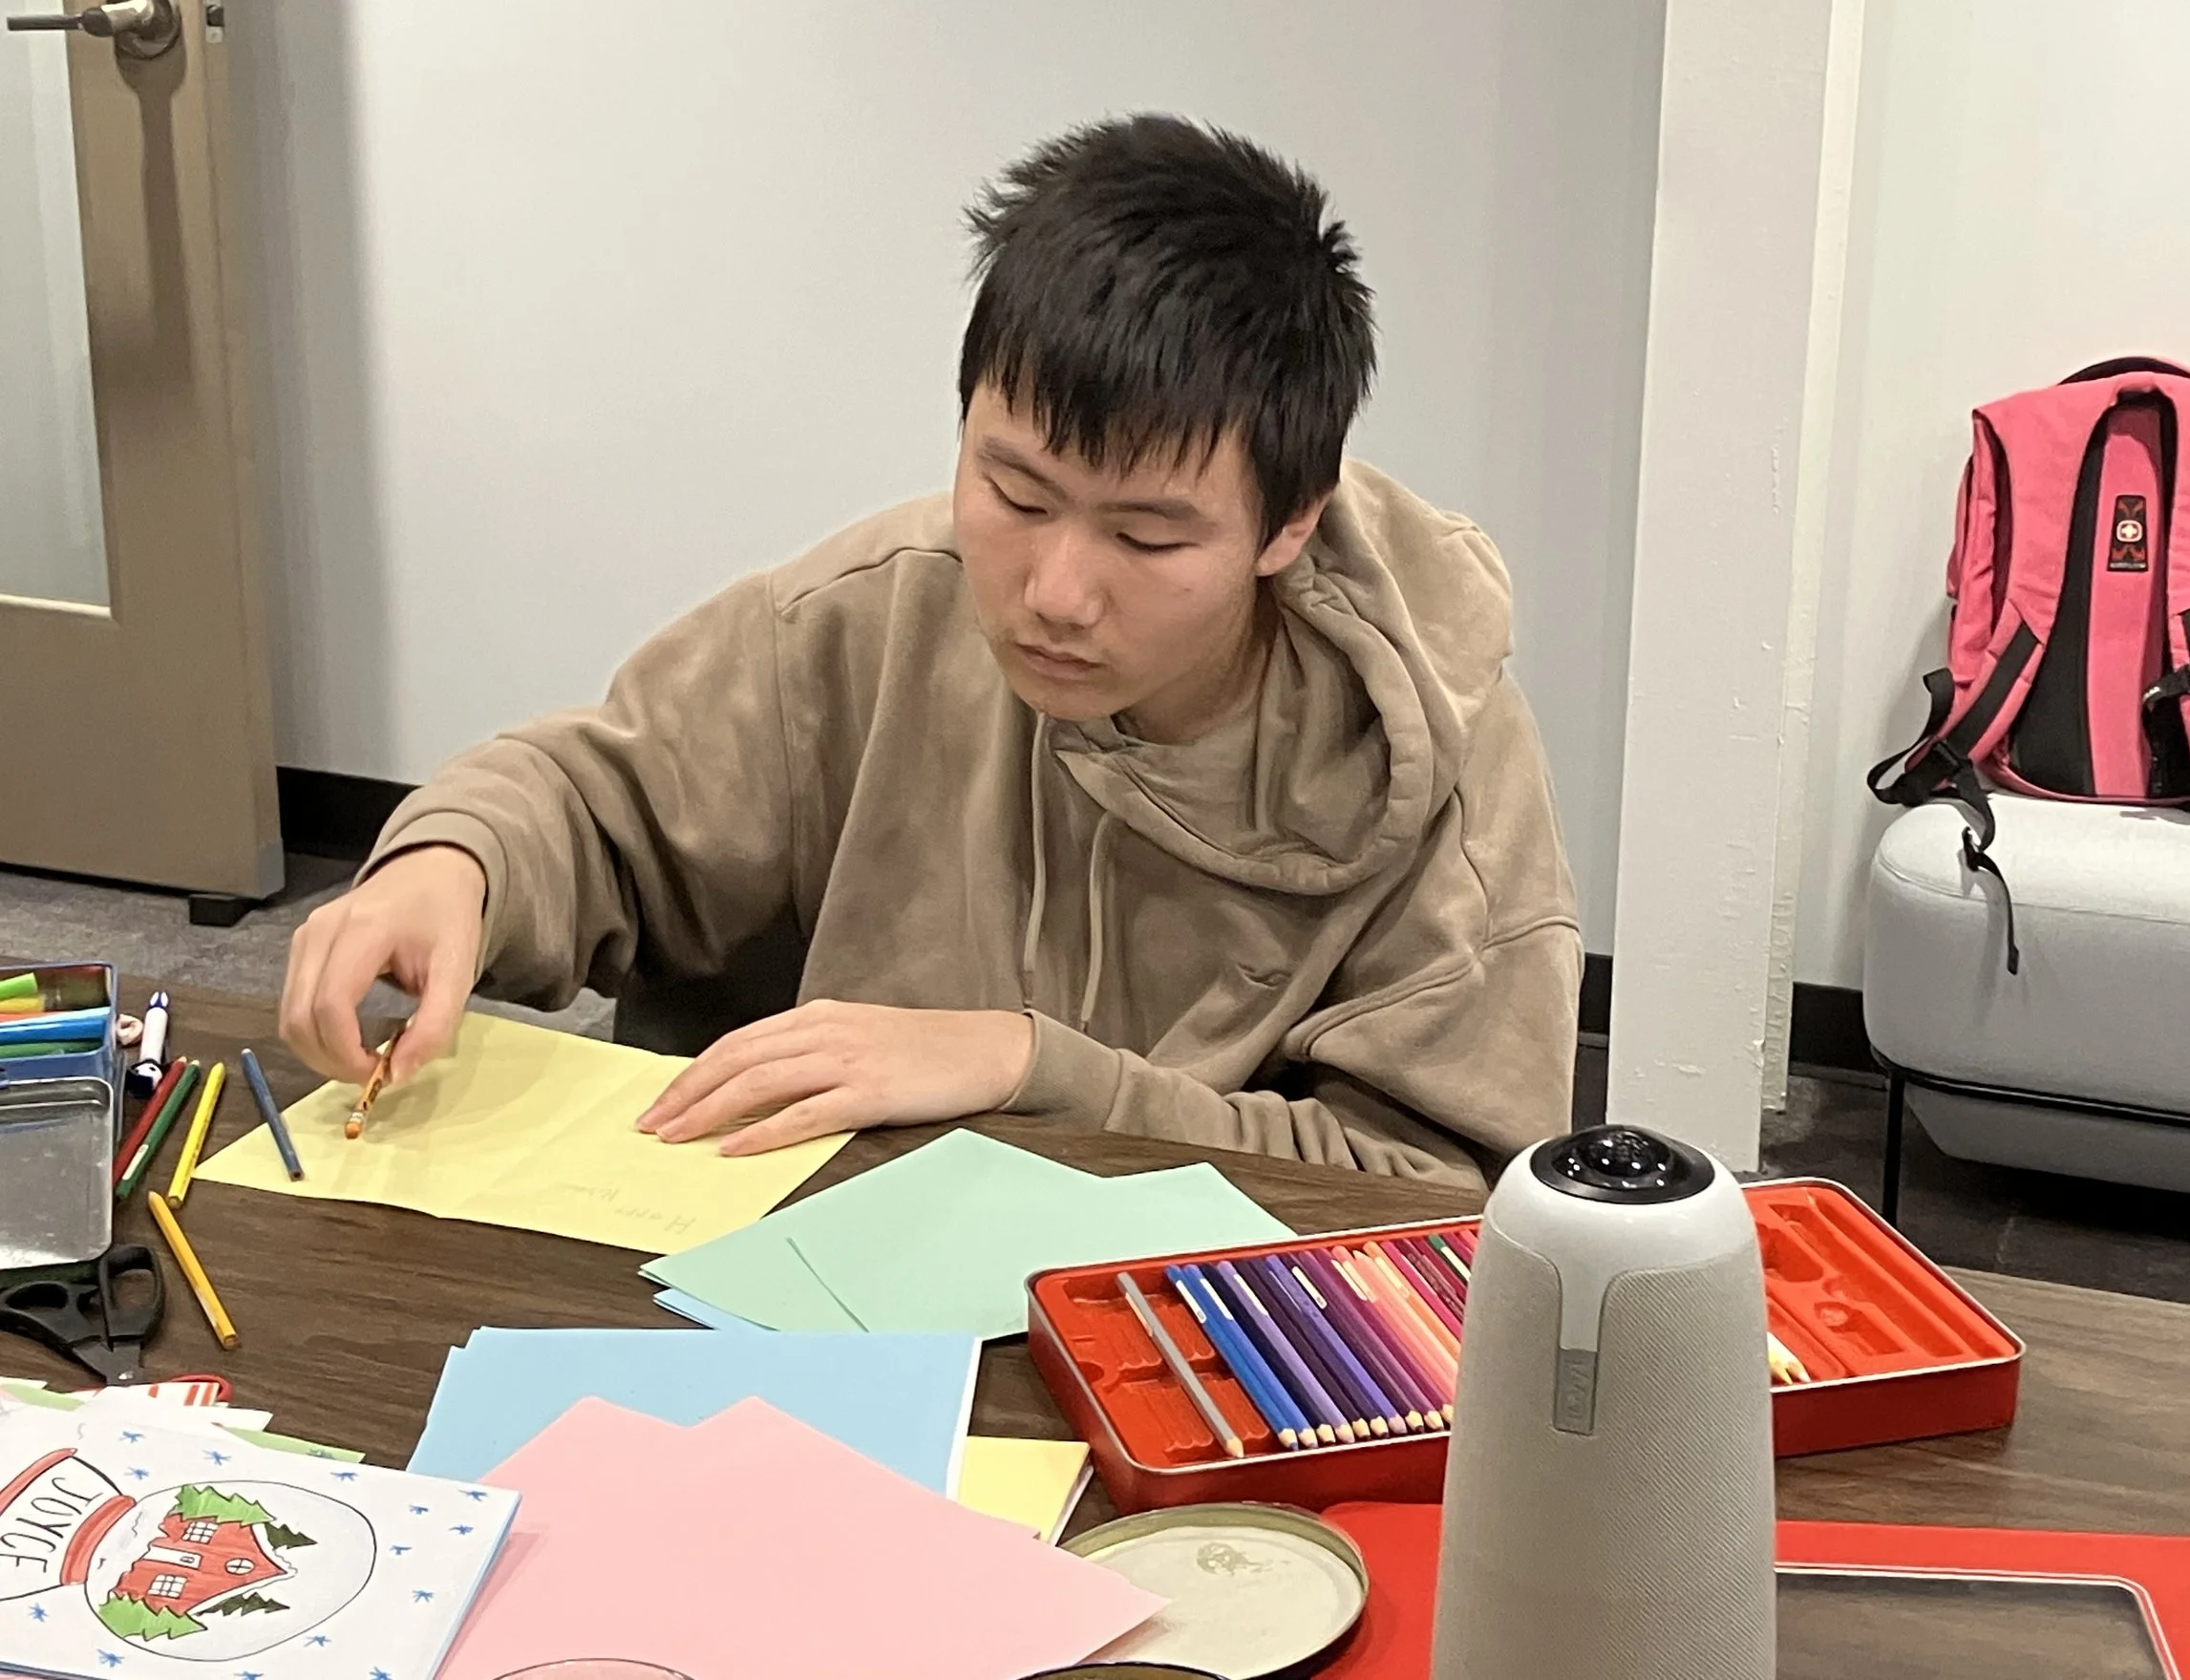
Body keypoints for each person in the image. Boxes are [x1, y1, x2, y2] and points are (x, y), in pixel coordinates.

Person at [280, 115, 1580, 1191]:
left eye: (1145, 535)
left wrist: (1030, 1066)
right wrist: (455, 862)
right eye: (1014, 493)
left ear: (1287, 525)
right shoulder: (880, 611)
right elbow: (598, 800)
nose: (1055, 593)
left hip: (1196, 1346)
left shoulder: (1434, 759)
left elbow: (1431, 1193)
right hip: (800, 1276)